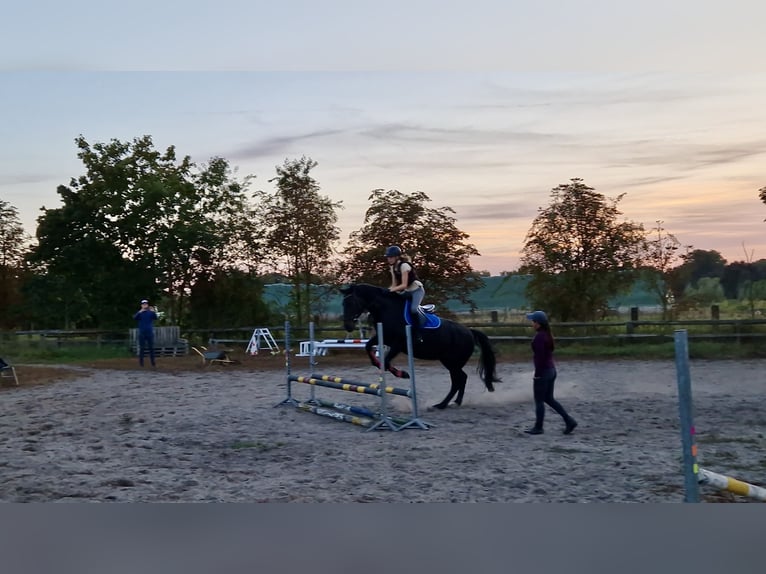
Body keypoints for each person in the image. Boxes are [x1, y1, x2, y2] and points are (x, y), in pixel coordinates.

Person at [524, 310, 577, 435]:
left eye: (534, 321)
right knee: (549, 399)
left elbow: (540, 358)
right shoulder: (547, 335)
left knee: (539, 401)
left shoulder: (539, 337)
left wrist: (537, 374)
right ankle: (569, 420)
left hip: (543, 371)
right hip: (551, 370)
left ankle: (538, 427)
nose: (532, 324)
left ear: (539, 323)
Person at [385, 245, 426, 343]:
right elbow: (394, 285)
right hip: (407, 292)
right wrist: (386, 291)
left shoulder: (404, 266)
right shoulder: (393, 267)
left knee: (413, 309)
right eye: (388, 257)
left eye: (390, 257)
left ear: (396, 257)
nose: (388, 259)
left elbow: (403, 285)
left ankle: (418, 332)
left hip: (417, 290)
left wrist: (392, 290)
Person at [133, 299, 158, 368]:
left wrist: (154, 312)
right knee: (142, 348)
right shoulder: (140, 313)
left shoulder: (150, 312)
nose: (145, 305)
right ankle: (141, 363)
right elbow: (134, 318)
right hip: (142, 333)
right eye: (143, 304)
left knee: (151, 348)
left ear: (147, 305)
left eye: (146, 304)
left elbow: (156, 318)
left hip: (149, 333)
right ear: (141, 305)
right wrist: (139, 312)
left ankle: (153, 363)